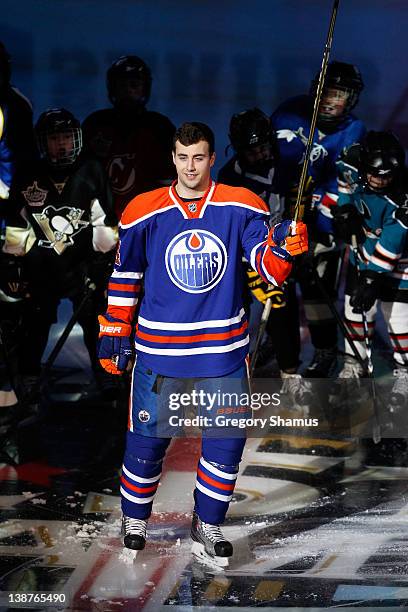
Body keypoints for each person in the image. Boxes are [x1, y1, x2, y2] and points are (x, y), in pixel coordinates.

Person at [97, 121, 308, 566]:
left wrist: (284, 249)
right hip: (159, 351)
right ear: (173, 159)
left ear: (212, 159)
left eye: (199, 157)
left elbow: (265, 268)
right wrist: (115, 327)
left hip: (222, 351)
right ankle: (135, 519)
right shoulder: (142, 210)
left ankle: (207, 525)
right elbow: (125, 275)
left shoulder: (241, 205)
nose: (191, 167)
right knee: (147, 441)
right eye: (183, 157)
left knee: (226, 443)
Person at [2, 108, 117, 395]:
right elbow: (18, 223)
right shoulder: (29, 173)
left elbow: (103, 220)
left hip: (82, 266)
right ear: (43, 143)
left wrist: (105, 261)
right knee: (35, 324)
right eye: (55, 139)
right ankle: (28, 376)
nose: (62, 145)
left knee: (94, 321)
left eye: (67, 137)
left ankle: (105, 373)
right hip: (41, 267)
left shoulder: (91, 170)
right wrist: (13, 263)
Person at [271, 61, 366, 380]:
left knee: (317, 291)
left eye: (339, 95)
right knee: (277, 289)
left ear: (350, 100)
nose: (330, 100)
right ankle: (280, 348)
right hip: (281, 221)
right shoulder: (288, 113)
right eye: (326, 92)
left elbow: (345, 186)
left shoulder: (353, 132)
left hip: (321, 226)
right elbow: (271, 169)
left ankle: (325, 350)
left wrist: (319, 232)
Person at [218, 108, 311, 406]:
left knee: (283, 311)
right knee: (237, 315)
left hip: (279, 252)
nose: (260, 154)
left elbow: (298, 202)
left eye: (264, 147)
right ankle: (232, 374)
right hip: (245, 256)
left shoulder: (286, 164)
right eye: (252, 150)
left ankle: (290, 373)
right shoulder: (230, 178)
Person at [333, 131, 408, 409]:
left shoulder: (403, 197)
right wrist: (344, 211)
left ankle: (405, 371)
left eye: (387, 176)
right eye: (375, 175)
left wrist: (372, 276)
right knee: (355, 309)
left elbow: (394, 239)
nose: (381, 181)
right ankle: (354, 363)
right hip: (363, 248)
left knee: (397, 317)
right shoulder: (349, 161)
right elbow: (344, 187)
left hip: (401, 261)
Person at [82, 55, 176, 218]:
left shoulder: (161, 127)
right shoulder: (94, 125)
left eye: (134, 84)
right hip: (100, 221)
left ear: (145, 88)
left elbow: (172, 180)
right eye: (122, 85)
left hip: (149, 218)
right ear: (112, 88)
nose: (128, 90)